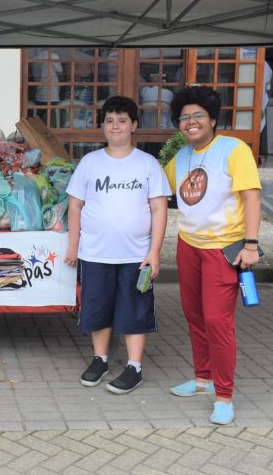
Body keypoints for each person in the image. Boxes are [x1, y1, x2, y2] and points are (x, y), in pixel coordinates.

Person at [164, 85, 262, 425]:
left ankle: (224, 394)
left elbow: (251, 197)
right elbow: (159, 192)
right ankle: (203, 379)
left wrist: (251, 244)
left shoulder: (234, 149)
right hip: (188, 244)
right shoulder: (182, 157)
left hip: (225, 248)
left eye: (197, 116)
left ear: (212, 119)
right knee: (193, 315)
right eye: (184, 118)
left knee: (218, 322)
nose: (191, 122)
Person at [64, 96, 170, 395]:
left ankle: (134, 366)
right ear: (102, 126)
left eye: (122, 120)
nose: (116, 126)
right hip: (95, 252)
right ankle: (100, 359)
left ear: (134, 125)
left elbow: (159, 209)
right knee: (98, 307)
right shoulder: (90, 162)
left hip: (137, 255)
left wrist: (155, 251)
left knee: (135, 308)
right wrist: (74, 245)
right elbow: (75, 206)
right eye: (109, 120)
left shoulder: (148, 164)